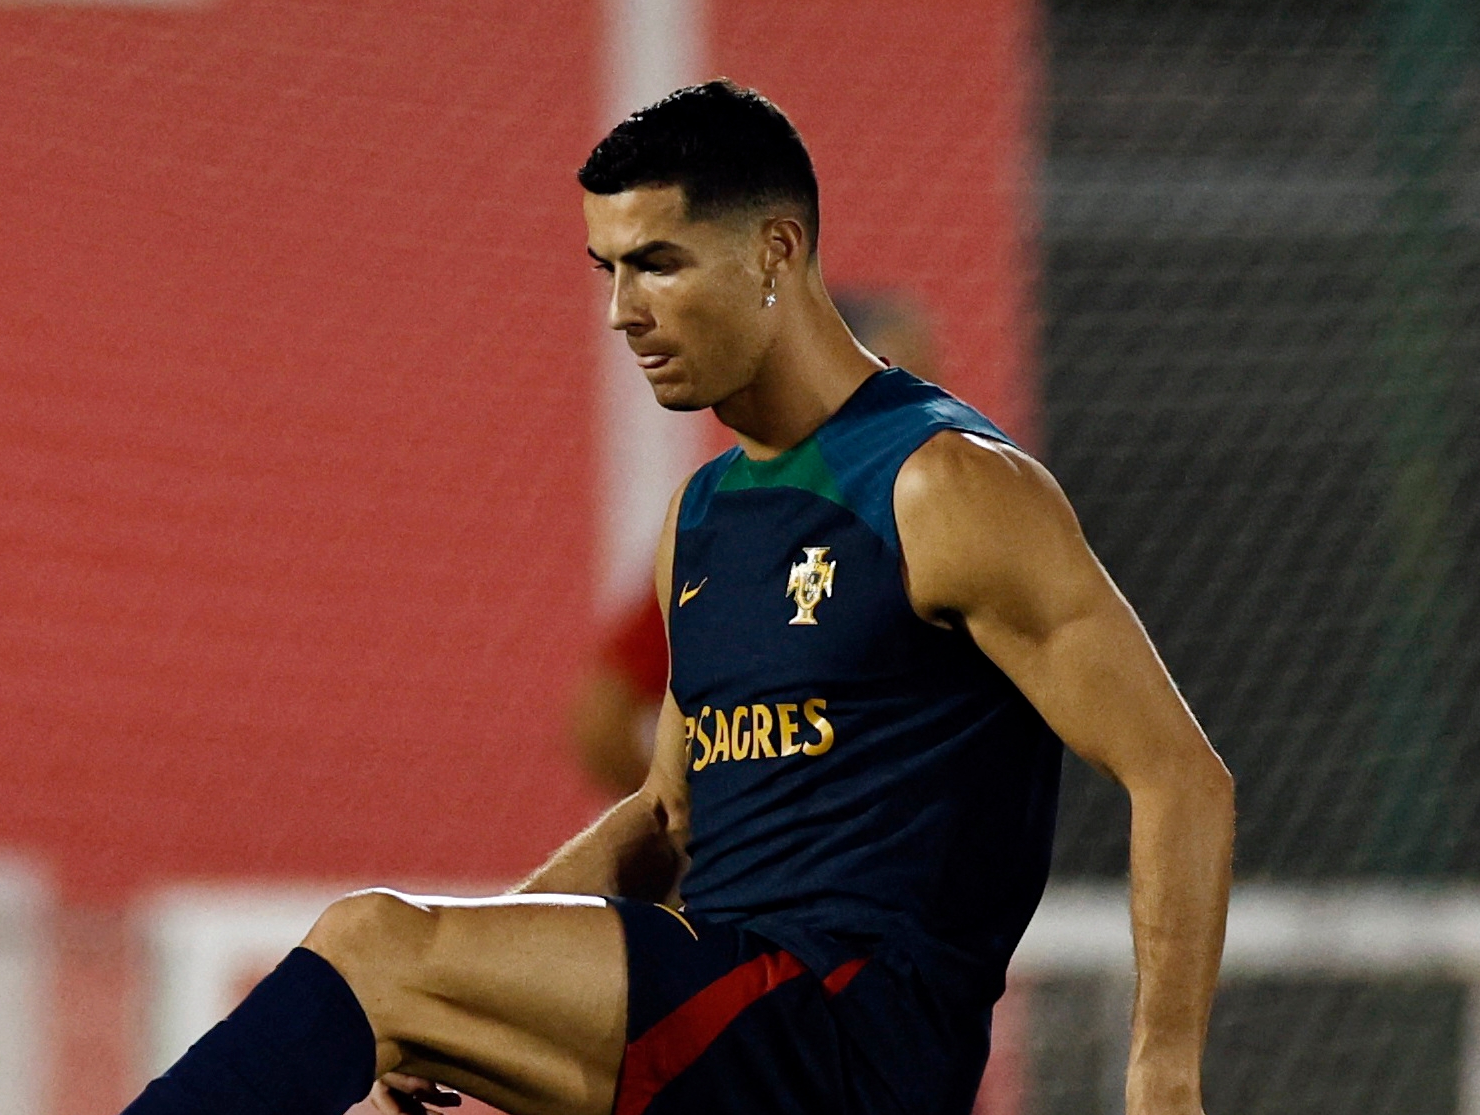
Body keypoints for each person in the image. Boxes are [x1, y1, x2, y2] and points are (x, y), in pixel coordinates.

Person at [120, 80, 1234, 1115]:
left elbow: (1179, 773)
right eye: (605, 267)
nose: (621, 310)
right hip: (733, 1019)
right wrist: (462, 990)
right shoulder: (703, 517)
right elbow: (666, 816)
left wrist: (1163, 1073)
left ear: (774, 252)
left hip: (845, 1036)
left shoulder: (944, 485)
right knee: (392, 965)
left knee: (369, 941)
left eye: (655, 262)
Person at [573, 289, 943, 798]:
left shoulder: (951, 521)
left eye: (922, 387)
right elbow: (602, 721)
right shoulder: (728, 539)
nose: (918, 410)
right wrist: (710, 830)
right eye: (890, 385)